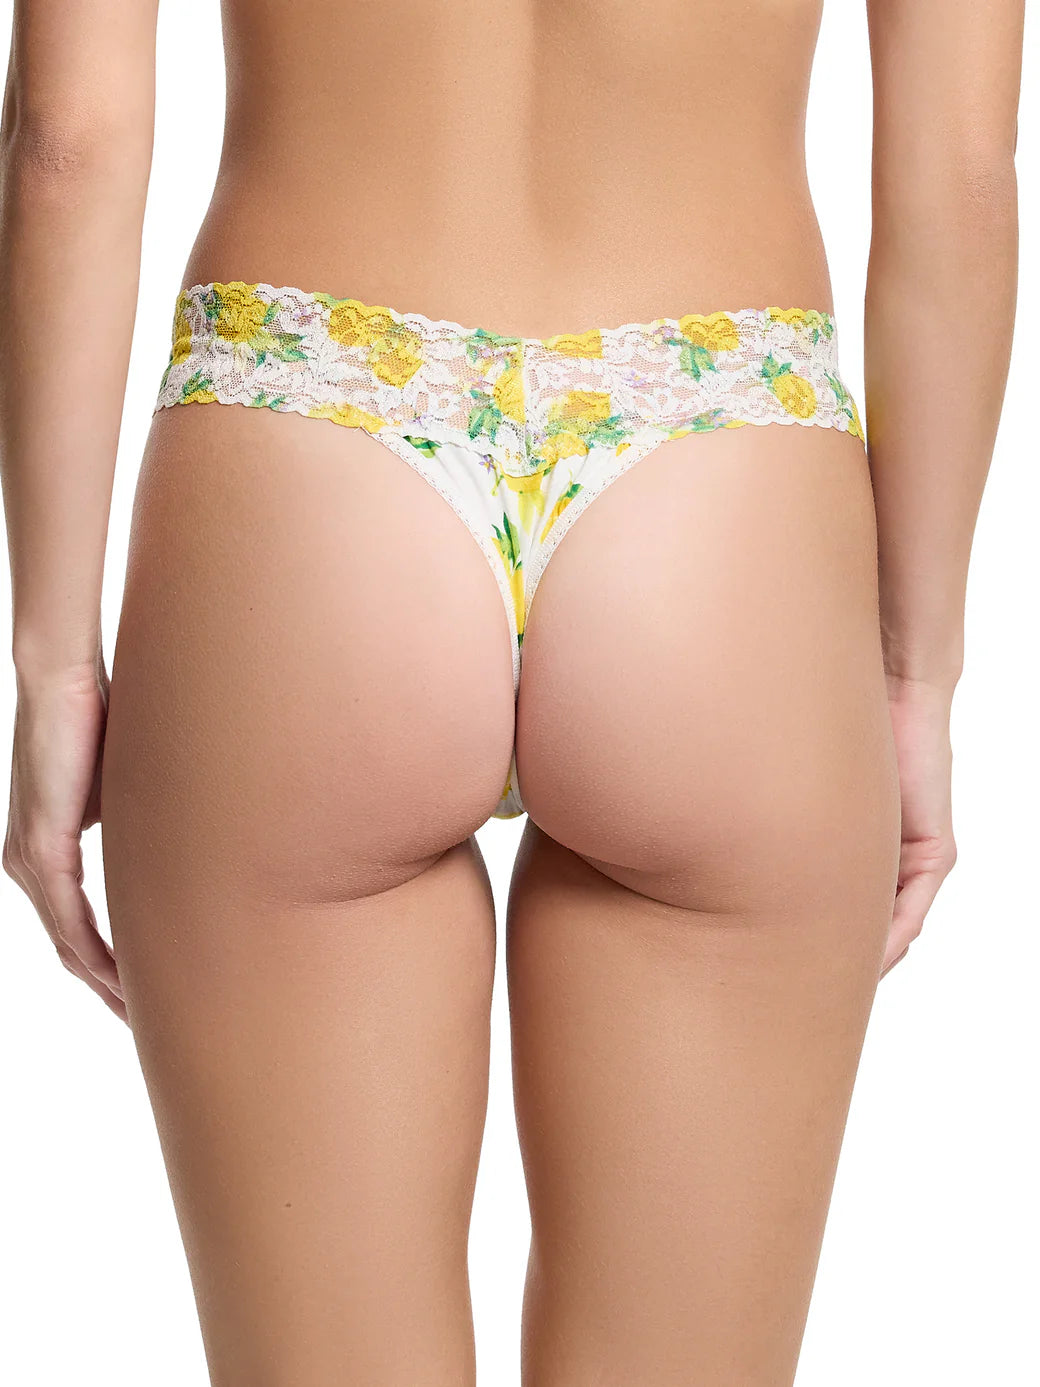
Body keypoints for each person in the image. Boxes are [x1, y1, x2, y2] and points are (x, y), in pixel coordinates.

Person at [0, 1, 1023, 1383]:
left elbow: (65, 144)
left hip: (307, 436)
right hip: (721, 463)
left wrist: (53, 661)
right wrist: (918, 672)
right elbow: (960, 174)